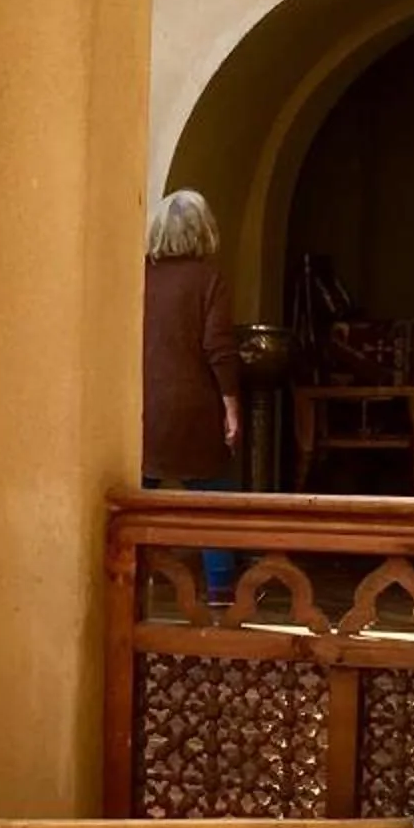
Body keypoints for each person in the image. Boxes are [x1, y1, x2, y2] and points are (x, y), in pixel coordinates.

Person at [141, 190, 243, 604]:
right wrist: (231, 405)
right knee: (213, 505)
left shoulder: (139, 276)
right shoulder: (209, 278)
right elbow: (218, 347)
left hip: (142, 408)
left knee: (134, 503)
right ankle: (220, 596)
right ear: (204, 230)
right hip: (194, 408)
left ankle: (125, 587)